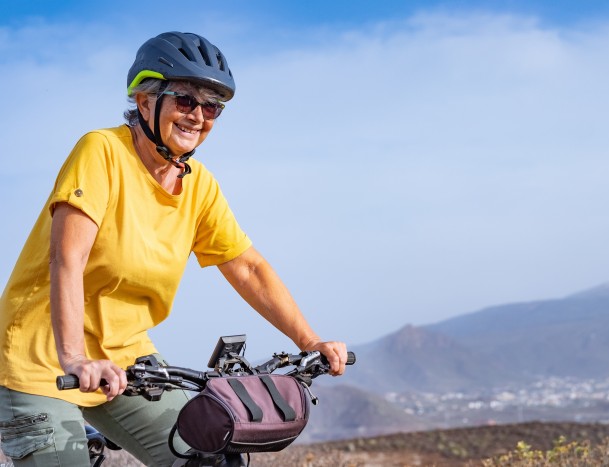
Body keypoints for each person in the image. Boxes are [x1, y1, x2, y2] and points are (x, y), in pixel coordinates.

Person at [0, 31, 348, 466]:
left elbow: (247, 267)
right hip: (41, 359)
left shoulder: (199, 186)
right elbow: (67, 260)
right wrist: (74, 357)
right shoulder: (102, 152)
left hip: (129, 363)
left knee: (207, 454)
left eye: (212, 107)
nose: (198, 116)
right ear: (145, 101)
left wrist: (308, 339)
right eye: (185, 100)